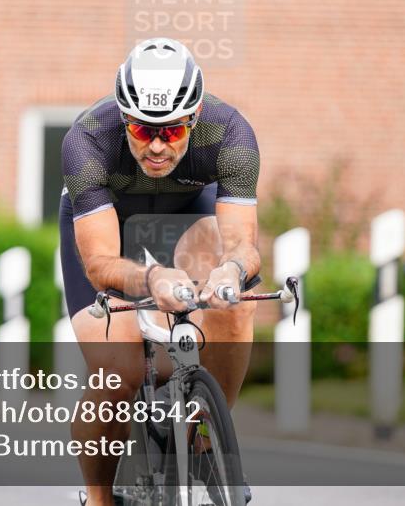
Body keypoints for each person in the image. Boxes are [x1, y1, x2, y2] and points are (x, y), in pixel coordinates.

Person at [60, 38, 261, 505]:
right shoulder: (88, 139)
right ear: (123, 118)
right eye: (140, 129)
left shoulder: (230, 134)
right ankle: (99, 496)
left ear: (193, 118)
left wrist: (229, 272)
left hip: (191, 211)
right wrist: (152, 278)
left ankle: (207, 434)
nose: (154, 146)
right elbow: (100, 263)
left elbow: (242, 246)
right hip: (108, 218)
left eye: (170, 133)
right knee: (119, 375)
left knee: (233, 306)